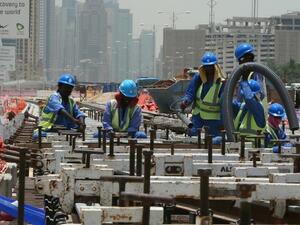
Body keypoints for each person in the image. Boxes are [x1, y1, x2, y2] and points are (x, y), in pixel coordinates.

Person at [181, 52, 225, 142]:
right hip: (198, 115)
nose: (208, 69)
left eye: (210, 66)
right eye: (206, 67)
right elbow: (190, 92)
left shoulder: (221, 82)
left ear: (215, 66)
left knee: (214, 141)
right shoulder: (198, 78)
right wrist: (185, 101)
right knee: (192, 134)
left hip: (213, 118)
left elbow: (225, 105)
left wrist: (223, 122)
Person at [33, 74, 85, 139]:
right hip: (48, 129)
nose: (68, 90)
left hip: (64, 130)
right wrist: (74, 120)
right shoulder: (53, 97)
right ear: (60, 86)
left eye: (70, 88)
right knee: (38, 136)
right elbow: (60, 109)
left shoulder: (71, 102)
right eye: (66, 87)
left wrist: (82, 123)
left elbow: (79, 113)